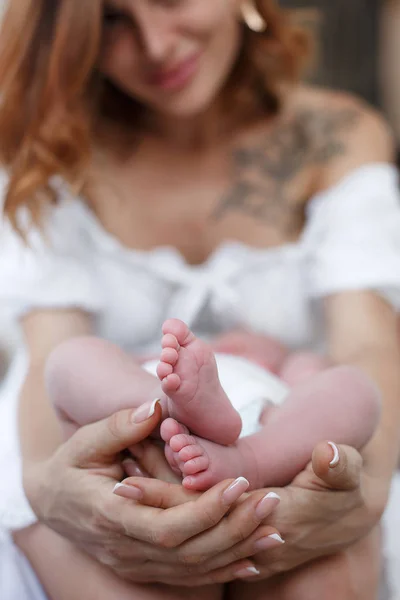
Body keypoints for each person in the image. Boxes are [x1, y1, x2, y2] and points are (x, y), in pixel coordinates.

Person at [0, 0, 399, 599]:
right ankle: (167, 411)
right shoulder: (52, 145)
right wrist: (48, 489)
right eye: (111, 19)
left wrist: (363, 499)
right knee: (71, 363)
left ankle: (237, 449)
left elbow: (369, 342)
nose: (157, 46)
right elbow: (49, 351)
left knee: (348, 396)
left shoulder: (335, 137)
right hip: (109, 445)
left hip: (280, 433)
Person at [47, 318, 380, 491]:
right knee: (71, 356)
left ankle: (249, 460)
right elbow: (114, 366)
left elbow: (314, 390)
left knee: (353, 385)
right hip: (148, 410)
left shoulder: (277, 367)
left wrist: (303, 368)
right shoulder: (158, 359)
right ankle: (170, 405)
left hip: (268, 431)